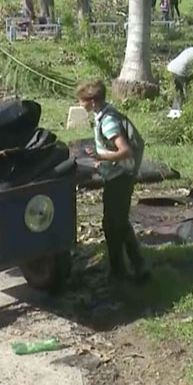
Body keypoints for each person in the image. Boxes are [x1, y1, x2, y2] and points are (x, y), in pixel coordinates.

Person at [77, 80, 150, 283]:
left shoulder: (108, 121)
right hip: (119, 173)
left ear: (92, 101)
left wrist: (102, 158)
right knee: (119, 222)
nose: (80, 103)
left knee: (112, 224)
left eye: (82, 100)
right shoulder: (106, 113)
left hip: (120, 177)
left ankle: (120, 270)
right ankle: (136, 267)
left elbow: (124, 150)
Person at [166, 38, 193, 119]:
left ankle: (175, 111)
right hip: (181, 70)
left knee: (178, 91)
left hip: (171, 68)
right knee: (192, 90)